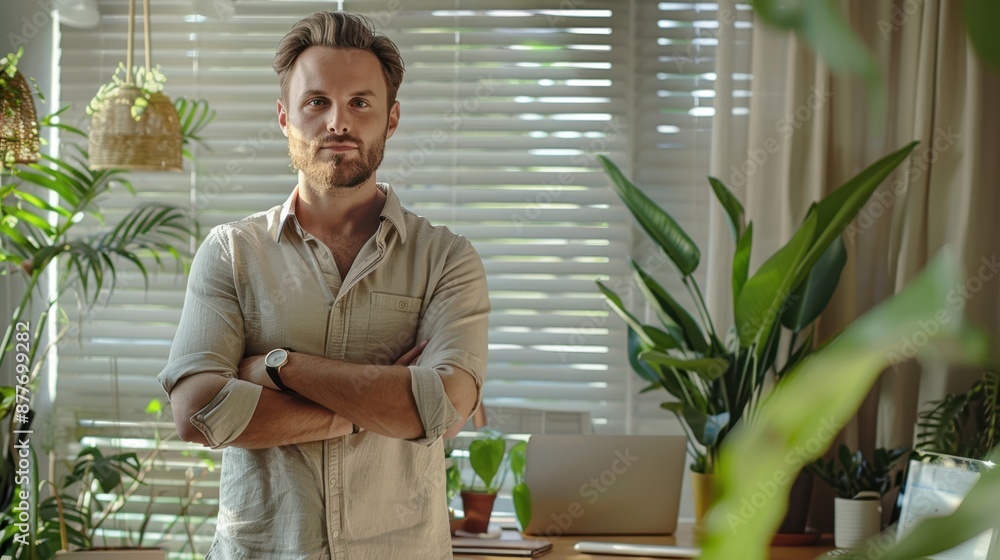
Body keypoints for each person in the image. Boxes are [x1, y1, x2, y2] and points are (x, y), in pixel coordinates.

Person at [158, 11, 490, 559]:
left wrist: (275, 367)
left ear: (392, 119)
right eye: (318, 102)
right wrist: (382, 403)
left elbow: (443, 409)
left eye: (361, 102)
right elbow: (197, 411)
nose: (339, 122)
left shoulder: (447, 259)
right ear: (285, 117)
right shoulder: (230, 253)